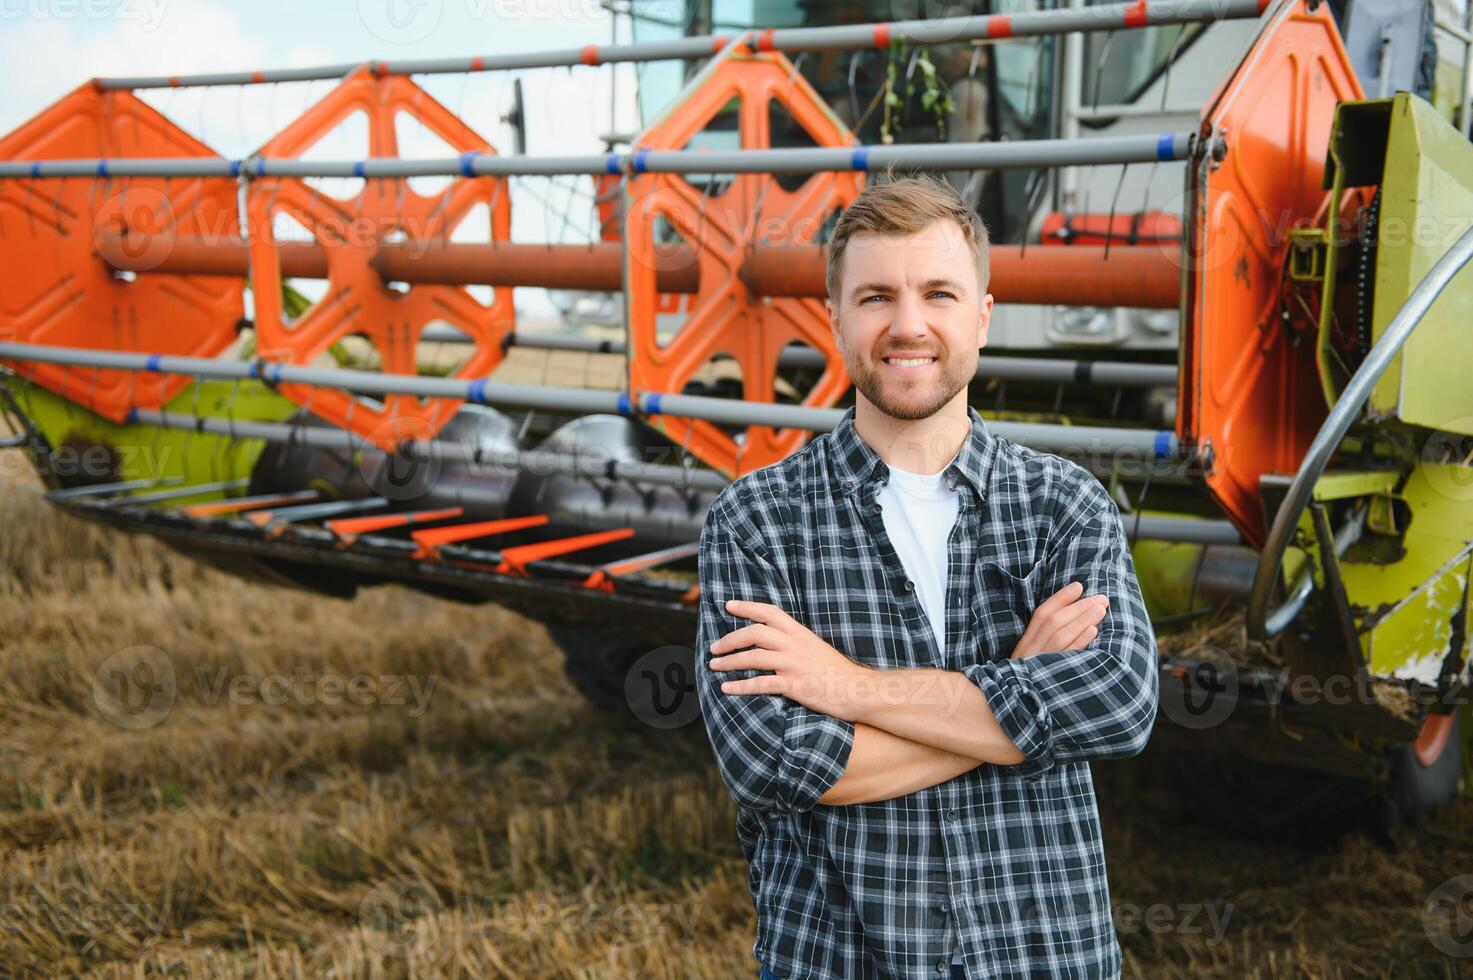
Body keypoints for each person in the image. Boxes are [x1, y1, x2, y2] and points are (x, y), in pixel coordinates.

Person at [694, 172, 1159, 979]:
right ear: (833, 315)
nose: (908, 326)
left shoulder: (1064, 505)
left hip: (1042, 953)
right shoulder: (754, 522)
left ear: (982, 313)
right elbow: (775, 761)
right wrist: (1020, 688)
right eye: (875, 296)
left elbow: (1118, 705)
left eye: (938, 293)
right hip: (840, 957)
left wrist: (851, 689)